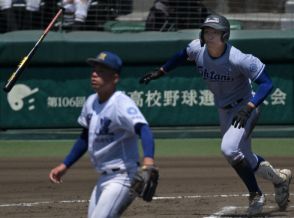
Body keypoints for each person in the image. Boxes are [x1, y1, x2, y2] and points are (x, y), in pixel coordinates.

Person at [139, 14, 292, 216]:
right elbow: (181, 54)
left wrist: (249, 107)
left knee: (229, 150)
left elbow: (267, 83)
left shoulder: (238, 58)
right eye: (206, 31)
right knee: (244, 156)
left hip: (244, 108)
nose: (209, 35)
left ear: (225, 35)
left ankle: (256, 194)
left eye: (214, 32)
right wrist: (161, 71)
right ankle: (280, 180)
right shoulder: (197, 48)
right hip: (224, 109)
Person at [49, 51, 158, 217]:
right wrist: (65, 165)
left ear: (115, 78)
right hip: (103, 179)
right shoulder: (91, 102)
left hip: (122, 177)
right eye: (94, 70)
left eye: (101, 72)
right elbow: (85, 137)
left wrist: (148, 162)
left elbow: (143, 129)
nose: (94, 74)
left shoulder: (120, 103)